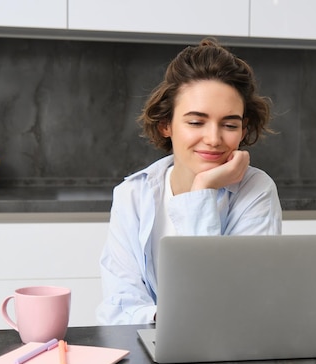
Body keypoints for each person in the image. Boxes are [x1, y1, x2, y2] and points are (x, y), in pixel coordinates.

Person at [97, 38, 282, 325]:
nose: (213, 139)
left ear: (244, 130)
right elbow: (119, 306)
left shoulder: (256, 191)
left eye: (230, 124)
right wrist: (177, 320)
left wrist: (203, 189)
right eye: (196, 122)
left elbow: (229, 308)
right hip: (145, 346)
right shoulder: (132, 195)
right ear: (166, 124)